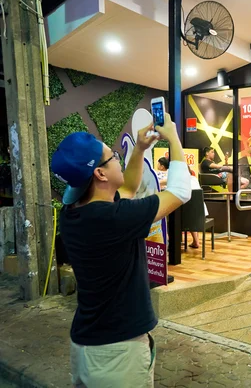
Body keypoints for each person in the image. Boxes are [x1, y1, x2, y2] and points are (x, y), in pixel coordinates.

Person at [52, 113, 191, 387]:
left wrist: (139, 149)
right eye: (113, 155)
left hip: (88, 346)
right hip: (117, 354)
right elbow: (180, 191)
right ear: (100, 173)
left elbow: (128, 187)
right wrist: (173, 137)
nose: (118, 157)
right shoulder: (113, 218)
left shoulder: (74, 213)